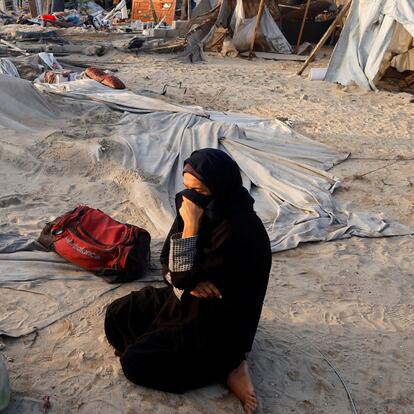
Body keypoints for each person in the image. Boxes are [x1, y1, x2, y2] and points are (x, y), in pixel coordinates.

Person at [105, 148, 271, 413]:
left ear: (220, 188)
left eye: (201, 192)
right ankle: (212, 360)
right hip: (185, 301)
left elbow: (179, 275)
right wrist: (187, 282)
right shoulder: (194, 206)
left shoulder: (238, 230)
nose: (190, 198)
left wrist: (191, 229)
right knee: (117, 314)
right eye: (187, 188)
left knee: (135, 363)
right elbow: (167, 266)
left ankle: (229, 366)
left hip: (216, 322)